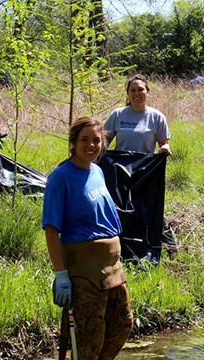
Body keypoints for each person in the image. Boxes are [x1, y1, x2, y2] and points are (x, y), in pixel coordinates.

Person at [42, 116, 133, 359]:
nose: (91, 146)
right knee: (89, 337)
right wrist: (60, 275)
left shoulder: (98, 172)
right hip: (84, 271)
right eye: (85, 140)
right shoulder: (60, 178)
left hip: (112, 267)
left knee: (122, 324)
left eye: (96, 140)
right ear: (73, 142)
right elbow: (51, 230)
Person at [104, 74, 177, 257]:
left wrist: (165, 148)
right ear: (127, 93)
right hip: (120, 172)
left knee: (151, 208)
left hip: (146, 171)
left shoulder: (156, 117)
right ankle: (124, 247)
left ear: (147, 92)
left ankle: (170, 245)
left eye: (140, 90)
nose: (137, 93)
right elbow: (105, 140)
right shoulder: (118, 115)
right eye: (132, 90)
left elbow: (164, 142)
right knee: (122, 208)